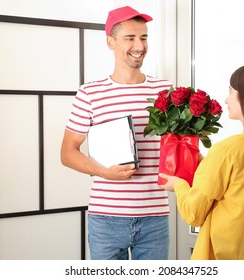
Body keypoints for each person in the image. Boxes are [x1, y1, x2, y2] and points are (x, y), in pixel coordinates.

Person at [60, 6, 172, 260]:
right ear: (111, 42)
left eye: (144, 37)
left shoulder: (165, 91)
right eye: (130, 38)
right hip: (105, 219)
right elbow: (67, 152)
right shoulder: (90, 93)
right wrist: (103, 172)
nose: (139, 46)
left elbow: (176, 148)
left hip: (154, 217)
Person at [159, 64, 244, 260]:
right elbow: (239, 188)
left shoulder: (226, 151)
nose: (226, 99)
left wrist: (179, 185)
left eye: (230, 91)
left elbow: (193, 214)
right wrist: (207, 165)